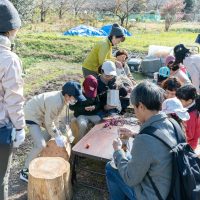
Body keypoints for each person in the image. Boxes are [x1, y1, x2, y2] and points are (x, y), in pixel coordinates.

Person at [106, 81, 184, 200]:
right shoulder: (172, 123)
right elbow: (160, 142)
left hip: (153, 196)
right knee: (127, 160)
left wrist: (117, 151)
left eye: (135, 108)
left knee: (111, 168)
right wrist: (133, 134)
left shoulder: (144, 140)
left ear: (141, 106)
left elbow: (130, 178)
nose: (135, 113)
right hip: (174, 188)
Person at [20, 81, 86, 182]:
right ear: (68, 95)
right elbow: (49, 122)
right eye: (75, 97)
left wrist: (57, 133)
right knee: (40, 144)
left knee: (49, 135)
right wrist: (56, 135)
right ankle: (24, 171)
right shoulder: (56, 102)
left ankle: (40, 155)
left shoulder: (62, 99)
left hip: (41, 114)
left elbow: (54, 119)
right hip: (32, 115)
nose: (76, 100)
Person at [0, 1, 25, 199]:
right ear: (11, 28)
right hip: (1, 129)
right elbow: (13, 99)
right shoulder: (8, 59)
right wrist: (19, 127)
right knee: (1, 178)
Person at [70, 75, 101, 143]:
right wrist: (84, 108)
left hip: (92, 114)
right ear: (84, 86)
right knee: (83, 125)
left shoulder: (95, 92)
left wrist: (94, 107)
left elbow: (98, 104)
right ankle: (79, 143)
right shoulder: (77, 93)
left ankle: (96, 141)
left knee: (99, 122)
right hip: (81, 115)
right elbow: (71, 107)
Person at [176, 84, 200, 149]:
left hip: (189, 145)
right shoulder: (186, 106)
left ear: (189, 101)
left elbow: (190, 136)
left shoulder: (190, 116)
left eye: (180, 101)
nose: (178, 102)